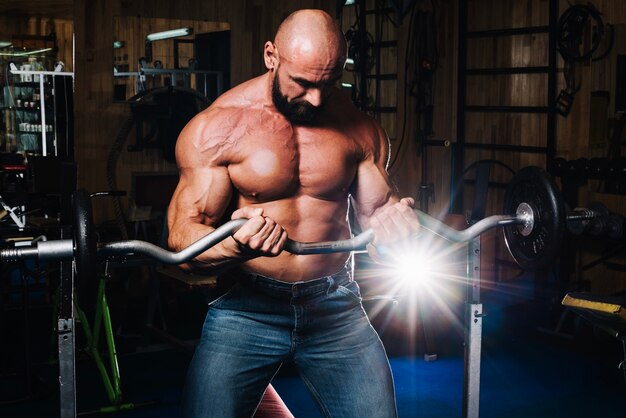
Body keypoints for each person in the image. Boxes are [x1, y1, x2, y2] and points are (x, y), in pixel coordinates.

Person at [167, 8, 421, 418]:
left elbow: (379, 213)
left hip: (335, 307)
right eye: (302, 82)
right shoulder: (216, 129)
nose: (316, 98)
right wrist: (234, 244)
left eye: (329, 82)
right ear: (271, 56)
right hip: (246, 309)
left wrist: (396, 224)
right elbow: (182, 238)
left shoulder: (360, 129)